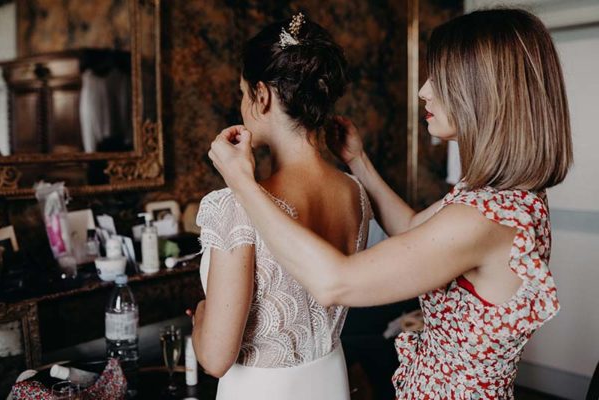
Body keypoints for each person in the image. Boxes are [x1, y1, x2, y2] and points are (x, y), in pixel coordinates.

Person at [207, 8, 573, 399]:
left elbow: (334, 282)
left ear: (485, 92)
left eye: (440, 78)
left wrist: (241, 183)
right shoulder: (505, 198)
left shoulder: (485, 219)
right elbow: (416, 232)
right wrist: (358, 162)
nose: (424, 91)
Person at [190, 13, 372, 400]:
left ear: (262, 96)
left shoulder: (234, 206)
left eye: (243, 93)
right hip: (330, 381)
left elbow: (215, 358)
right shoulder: (354, 193)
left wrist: (203, 316)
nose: (243, 105)